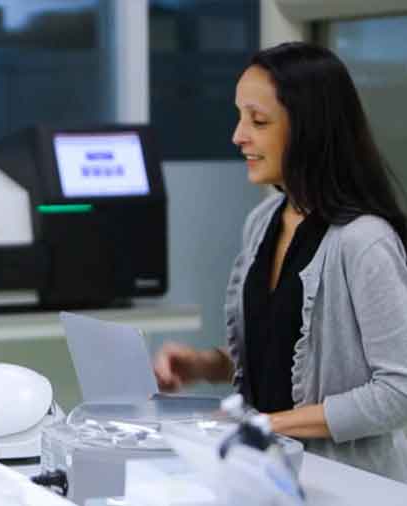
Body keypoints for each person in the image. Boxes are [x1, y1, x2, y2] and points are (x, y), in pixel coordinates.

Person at [153, 41, 407, 481]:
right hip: (264, 473)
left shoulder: (364, 241)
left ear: (308, 128)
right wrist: (202, 365)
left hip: (346, 485)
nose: (238, 135)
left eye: (259, 121)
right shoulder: (262, 221)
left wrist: (267, 424)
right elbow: (286, 357)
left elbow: (398, 392)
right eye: (239, 116)